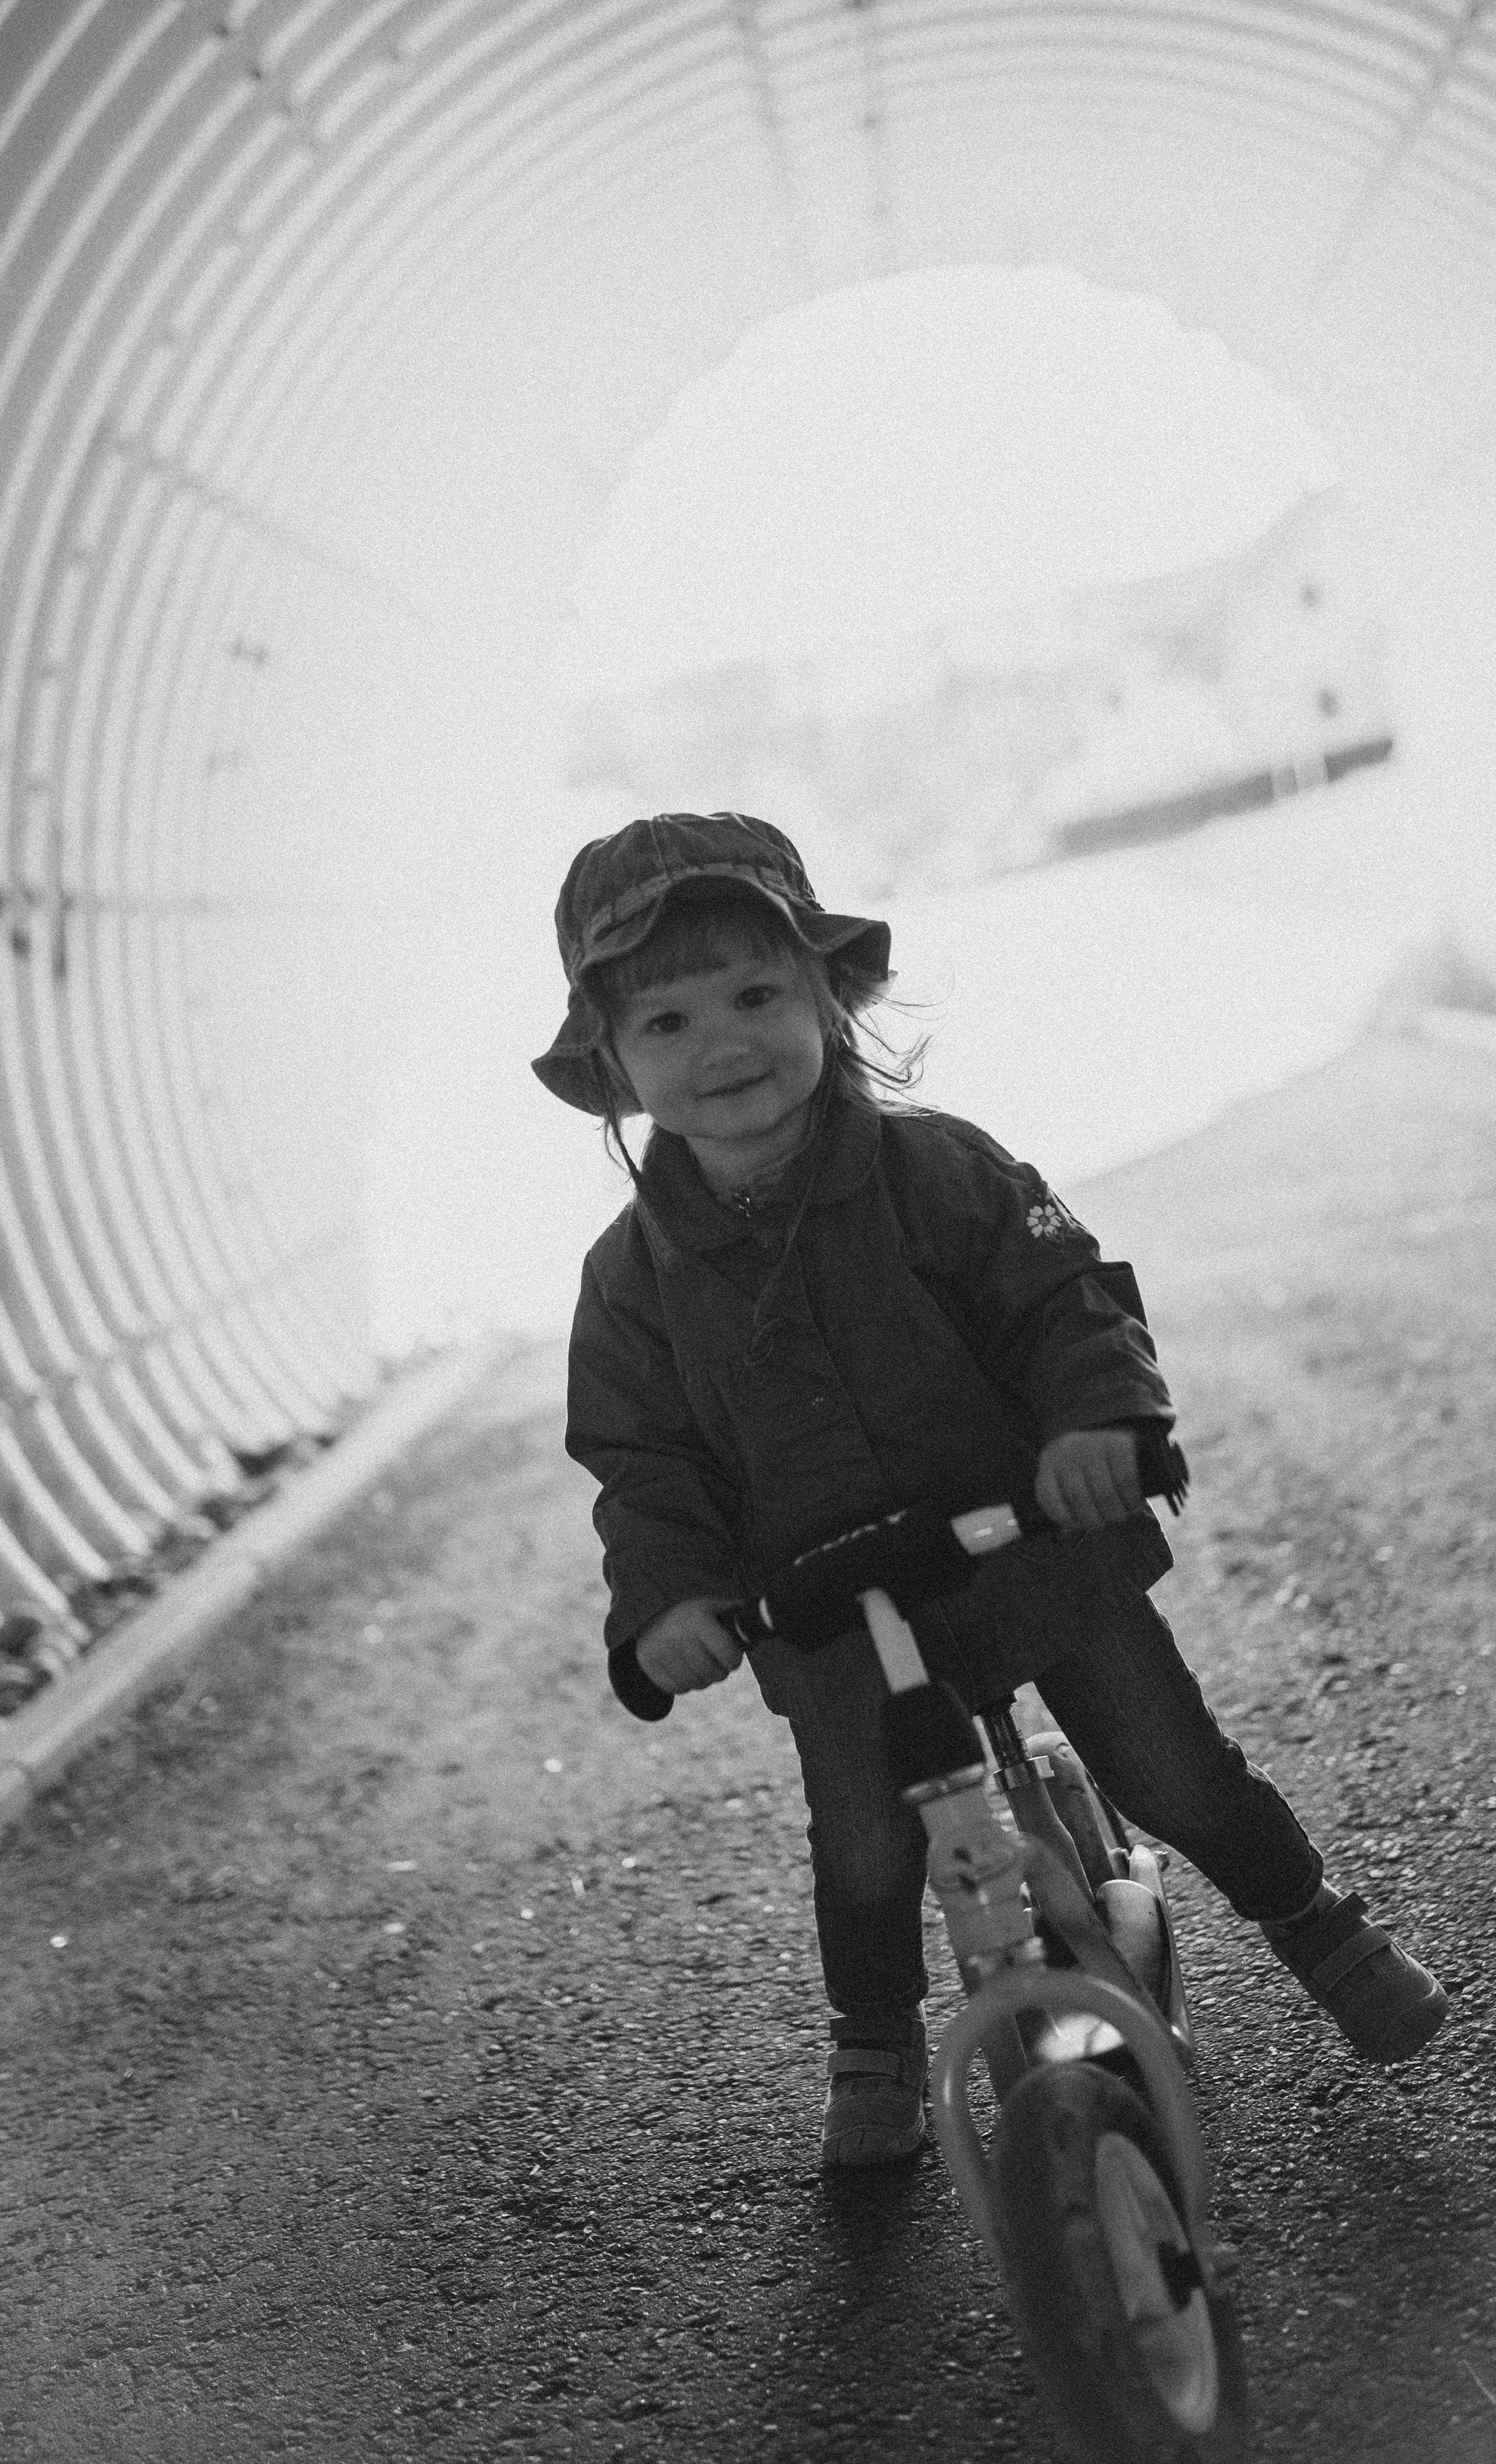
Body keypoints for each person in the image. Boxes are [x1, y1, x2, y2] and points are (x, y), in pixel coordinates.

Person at [537, 811, 1448, 2166]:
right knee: (863, 1847)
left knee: (1170, 1769)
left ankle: (1312, 1920)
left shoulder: (936, 1170)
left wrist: (1097, 1424)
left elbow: (1059, 1302)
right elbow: (641, 1461)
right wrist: (675, 1598)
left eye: (753, 994)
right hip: (831, 1607)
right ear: (612, 1064)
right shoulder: (628, 1282)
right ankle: (876, 2037)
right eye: (665, 1022)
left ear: (828, 997)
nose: (722, 1043)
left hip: (1028, 1548)